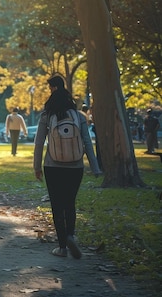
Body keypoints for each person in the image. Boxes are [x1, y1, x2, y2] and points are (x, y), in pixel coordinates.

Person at [33, 75, 102, 258]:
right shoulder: (78, 116)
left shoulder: (47, 115)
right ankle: (71, 235)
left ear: (53, 89)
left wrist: (37, 167)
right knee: (69, 203)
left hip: (52, 166)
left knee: (57, 205)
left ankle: (62, 247)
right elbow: (87, 142)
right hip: (75, 166)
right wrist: (95, 168)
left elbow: (39, 142)